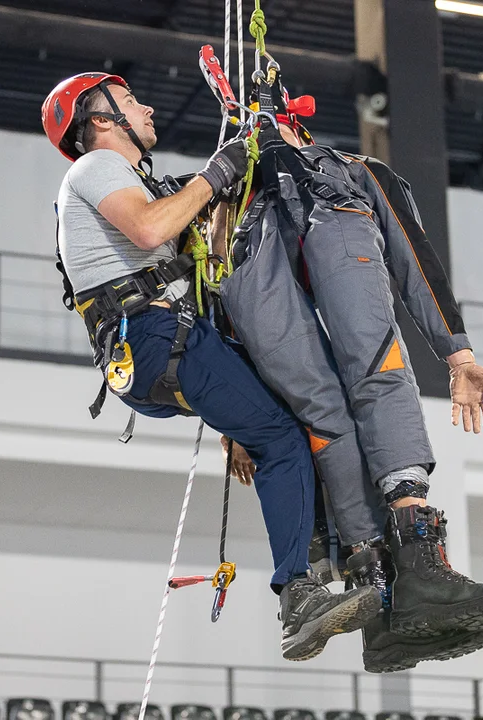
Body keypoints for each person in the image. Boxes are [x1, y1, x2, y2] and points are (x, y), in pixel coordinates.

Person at [41, 71, 381, 662]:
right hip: (150, 335)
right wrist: (215, 175)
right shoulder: (95, 168)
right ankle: (298, 592)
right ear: (100, 123)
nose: (145, 105)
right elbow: (151, 229)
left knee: (276, 426)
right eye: (129, 101)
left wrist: (230, 424)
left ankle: (314, 552)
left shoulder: (131, 179)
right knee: (281, 436)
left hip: (154, 348)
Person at [213, 73, 483, 672]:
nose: (264, 123)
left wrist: (456, 351)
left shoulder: (355, 170)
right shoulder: (225, 196)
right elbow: (216, 303)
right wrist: (235, 419)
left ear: (295, 119)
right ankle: (388, 601)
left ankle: (406, 584)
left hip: (329, 224)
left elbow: (413, 255)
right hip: (255, 262)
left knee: (372, 372)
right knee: (326, 413)